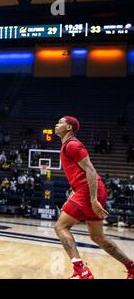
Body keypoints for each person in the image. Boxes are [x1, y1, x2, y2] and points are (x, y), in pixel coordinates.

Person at [53, 116, 133, 279]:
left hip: (89, 190)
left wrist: (93, 200)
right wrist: (74, 196)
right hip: (87, 190)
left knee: (60, 227)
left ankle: (81, 271)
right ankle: (131, 267)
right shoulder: (67, 146)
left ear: (69, 128)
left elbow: (90, 169)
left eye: (60, 122)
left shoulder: (73, 145)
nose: (56, 124)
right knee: (97, 237)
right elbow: (80, 174)